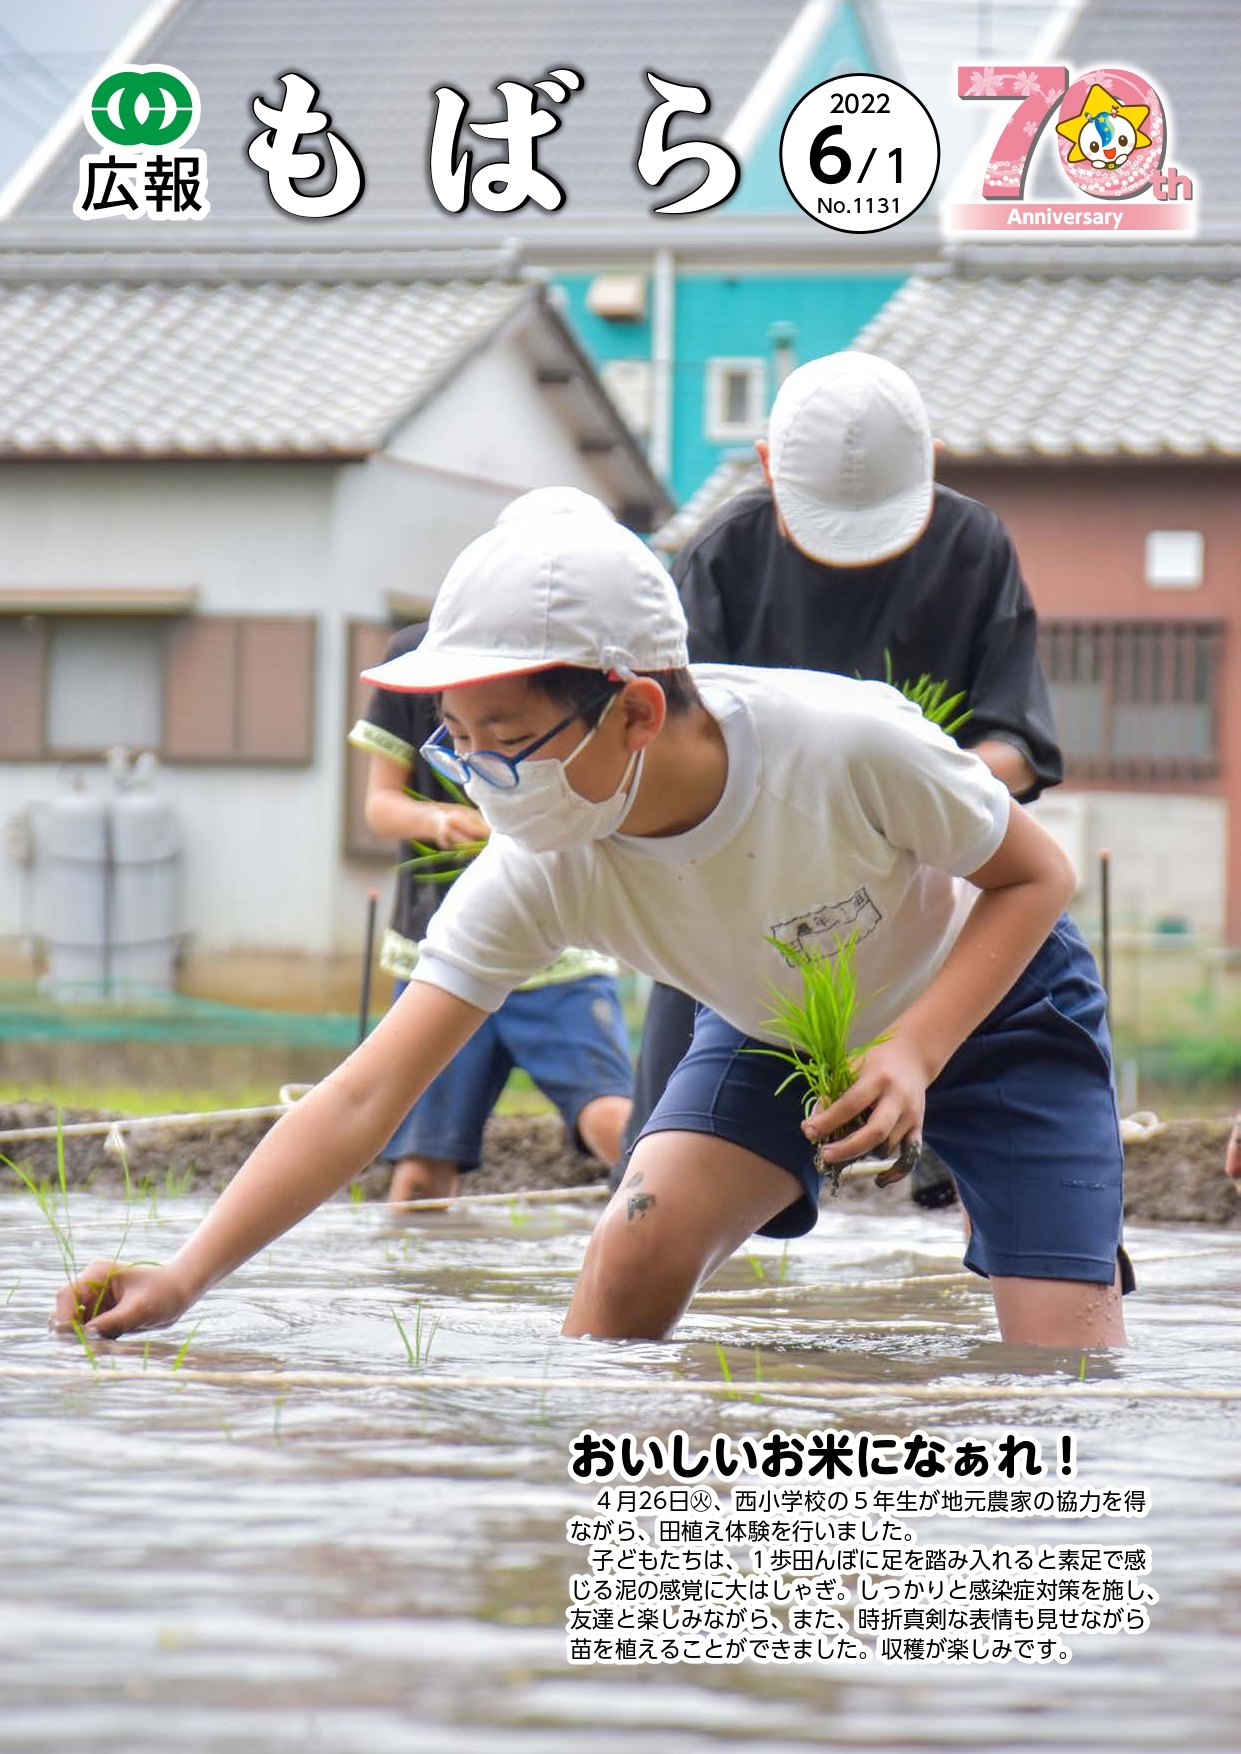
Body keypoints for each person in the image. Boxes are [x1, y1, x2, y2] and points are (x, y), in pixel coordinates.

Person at [52, 500, 1132, 1350]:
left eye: (509, 735)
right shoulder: (541, 861)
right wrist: (185, 1273)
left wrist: (915, 1044)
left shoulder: (843, 744)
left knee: (1056, 1369)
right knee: (630, 1248)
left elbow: (1032, 876)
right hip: (780, 1021)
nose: (482, 778)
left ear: (635, 708)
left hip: (996, 1003)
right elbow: (364, 1094)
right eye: (458, 740)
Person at [621, 351, 1066, 1211]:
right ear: (762, 468)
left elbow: (1016, 738)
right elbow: (672, 751)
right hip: (741, 889)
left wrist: (910, 796)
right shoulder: (722, 555)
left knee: (1019, 1141)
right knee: (661, 1176)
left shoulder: (972, 543)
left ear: (929, 463)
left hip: (930, 876)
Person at [350, 618, 635, 1204]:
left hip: (561, 950)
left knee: (613, 1121)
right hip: (438, 945)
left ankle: (678, 1231)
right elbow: (380, 803)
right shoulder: (413, 658)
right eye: (454, 734)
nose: (478, 759)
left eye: (504, 737)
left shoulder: (562, 645)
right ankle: (415, 1290)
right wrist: (435, 820)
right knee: (421, 1165)